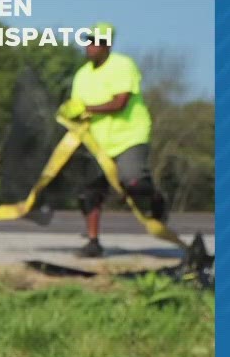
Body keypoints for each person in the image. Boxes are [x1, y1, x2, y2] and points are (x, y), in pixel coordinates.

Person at [66, 23, 164, 258]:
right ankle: (93, 242)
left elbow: (120, 103)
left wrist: (86, 109)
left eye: (96, 42)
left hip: (129, 136)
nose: (90, 46)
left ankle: (155, 198)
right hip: (97, 142)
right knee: (88, 191)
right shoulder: (82, 75)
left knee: (132, 182)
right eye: (88, 41)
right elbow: (76, 107)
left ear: (107, 44)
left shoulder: (122, 65)